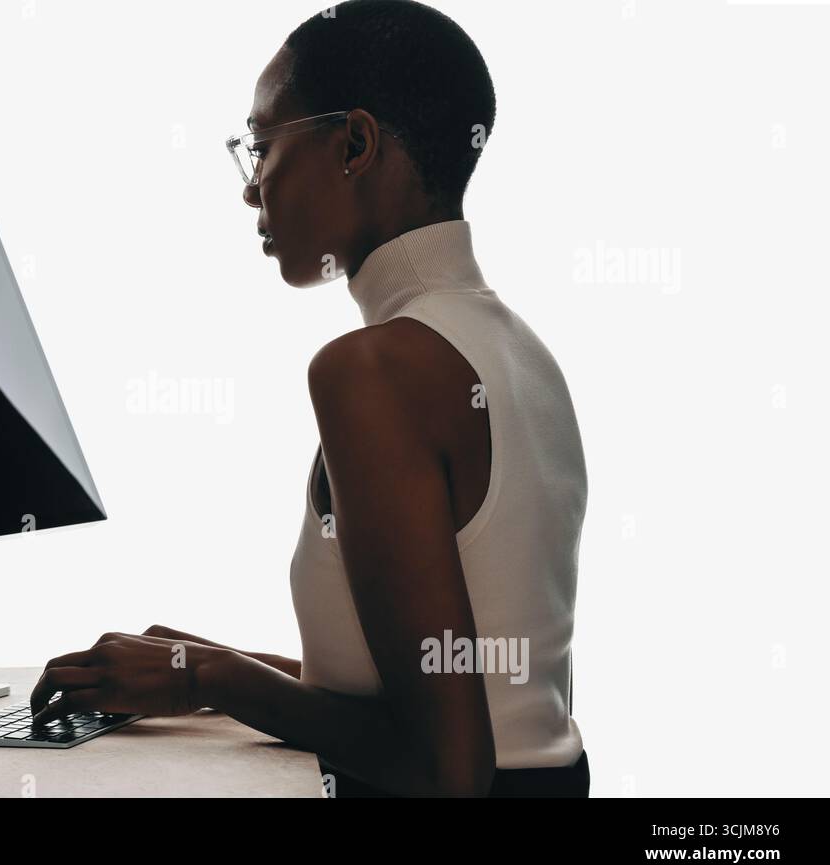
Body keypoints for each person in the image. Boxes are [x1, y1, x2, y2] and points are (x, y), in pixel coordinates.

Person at [30, 0, 590, 798]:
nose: (252, 191)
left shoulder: (373, 370)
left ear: (355, 144)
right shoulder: (520, 350)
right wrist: (207, 666)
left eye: (261, 146)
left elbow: (449, 773)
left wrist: (210, 677)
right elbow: (475, 693)